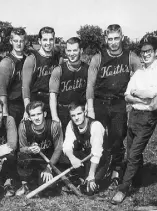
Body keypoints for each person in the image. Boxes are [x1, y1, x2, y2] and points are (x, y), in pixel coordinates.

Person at [86, 24, 142, 187]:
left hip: (119, 103)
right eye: (110, 39)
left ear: (122, 37)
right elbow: (90, 84)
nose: (113, 42)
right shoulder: (98, 58)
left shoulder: (130, 56)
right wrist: (90, 107)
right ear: (105, 39)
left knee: (117, 138)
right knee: (99, 138)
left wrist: (133, 99)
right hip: (100, 102)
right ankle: (99, 170)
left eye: (116, 38)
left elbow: (141, 76)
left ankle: (116, 171)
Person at [111, 36, 157, 204]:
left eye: (149, 51)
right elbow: (127, 95)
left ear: (155, 52)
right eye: (143, 52)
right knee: (131, 152)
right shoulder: (138, 73)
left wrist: (139, 94)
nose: (145, 55)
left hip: (148, 117)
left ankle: (123, 189)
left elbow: (153, 99)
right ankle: (137, 179)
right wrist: (140, 96)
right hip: (134, 115)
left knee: (134, 154)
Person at [16, 101, 63, 196]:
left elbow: (58, 149)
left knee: (47, 192)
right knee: (22, 156)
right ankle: (25, 184)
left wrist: (49, 167)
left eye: (39, 114)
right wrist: (29, 149)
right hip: (33, 160)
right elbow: (21, 149)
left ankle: (41, 181)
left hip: (49, 160)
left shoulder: (54, 126)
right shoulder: (23, 126)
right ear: (29, 117)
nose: (36, 118)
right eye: (33, 115)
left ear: (44, 114)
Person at [63, 101, 110, 195]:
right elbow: (67, 145)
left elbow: (96, 153)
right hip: (85, 156)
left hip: (100, 159)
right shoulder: (71, 125)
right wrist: (72, 158)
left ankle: (106, 174)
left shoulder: (95, 125)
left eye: (79, 114)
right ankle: (81, 177)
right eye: (73, 115)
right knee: (66, 155)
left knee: (89, 190)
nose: (76, 118)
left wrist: (91, 174)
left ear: (85, 112)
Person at [22, 27, 62, 119]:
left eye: (51, 39)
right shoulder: (32, 59)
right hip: (37, 102)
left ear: (54, 40)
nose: (48, 43)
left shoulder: (58, 58)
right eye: (45, 40)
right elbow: (25, 87)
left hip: (53, 101)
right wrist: (27, 109)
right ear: (39, 41)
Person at [50, 37, 88, 131]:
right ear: (66, 51)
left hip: (80, 111)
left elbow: (90, 94)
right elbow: (52, 95)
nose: (71, 54)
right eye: (69, 50)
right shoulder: (58, 70)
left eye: (75, 50)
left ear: (81, 50)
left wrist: (87, 110)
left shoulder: (87, 69)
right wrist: (55, 117)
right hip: (63, 111)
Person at [0, 28, 26, 126]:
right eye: (16, 41)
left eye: (21, 41)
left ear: (25, 41)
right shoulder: (6, 63)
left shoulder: (28, 59)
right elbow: (2, 90)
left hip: (27, 104)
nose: (19, 44)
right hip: (13, 106)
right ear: (11, 41)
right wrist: (5, 113)